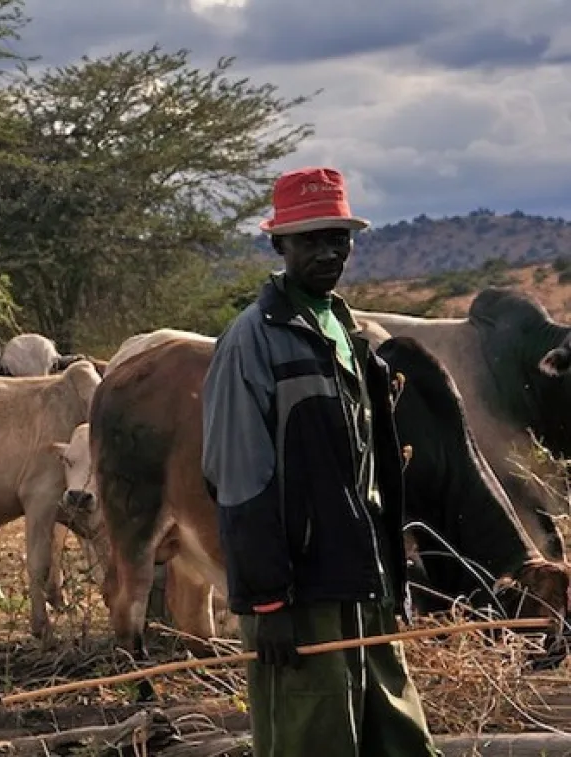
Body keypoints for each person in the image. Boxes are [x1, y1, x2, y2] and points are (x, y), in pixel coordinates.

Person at [201, 166, 440, 756]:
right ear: (279, 244)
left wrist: (391, 576)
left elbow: (369, 475)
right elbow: (237, 479)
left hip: (363, 581)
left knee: (393, 735)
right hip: (298, 593)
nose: (328, 251)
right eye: (310, 239)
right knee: (312, 739)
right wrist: (268, 601)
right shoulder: (252, 340)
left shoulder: (349, 332)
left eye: (339, 237)